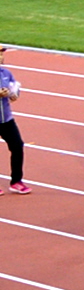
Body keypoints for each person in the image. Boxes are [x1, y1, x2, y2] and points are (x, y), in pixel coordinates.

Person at [0, 45, 25, 194]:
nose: (1, 57)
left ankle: (16, 181)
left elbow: (14, 88)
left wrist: (13, 94)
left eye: (2, 54)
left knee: (17, 146)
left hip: (7, 119)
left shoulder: (6, 73)